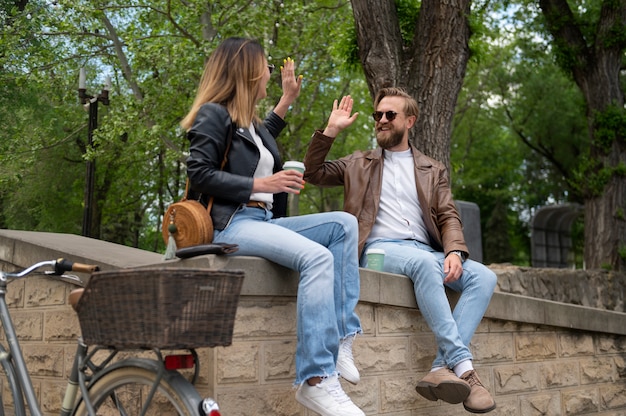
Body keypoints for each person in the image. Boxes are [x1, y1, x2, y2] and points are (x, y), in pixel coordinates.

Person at [180, 37, 364, 416]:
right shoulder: (212, 114)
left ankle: (343, 337)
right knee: (316, 258)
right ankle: (315, 380)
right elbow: (199, 173)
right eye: (265, 67)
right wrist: (261, 185)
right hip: (231, 223)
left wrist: (287, 100)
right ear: (248, 72)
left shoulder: (251, 124)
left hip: (263, 220)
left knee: (343, 225)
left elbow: (263, 139)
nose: (269, 73)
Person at [303, 87, 498, 414]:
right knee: (424, 263)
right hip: (379, 250)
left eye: (389, 115)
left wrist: (453, 252)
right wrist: (330, 130)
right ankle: (466, 370)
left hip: (425, 251)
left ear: (410, 120)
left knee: (484, 277)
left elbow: (448, 215)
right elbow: (312, 173)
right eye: (377, 115)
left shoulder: (432, 169)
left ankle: (442, 366)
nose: (381, 120)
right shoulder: (358, 163)